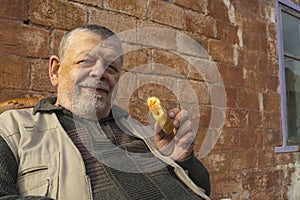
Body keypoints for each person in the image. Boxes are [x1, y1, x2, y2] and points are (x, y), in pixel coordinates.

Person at [0, 25, 211, 200]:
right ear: (55, 70)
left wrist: (183, 159)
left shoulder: (142, 131)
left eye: (111, 68)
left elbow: (203, 187)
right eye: (86, 61)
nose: (100, 73)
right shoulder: (12, 129)